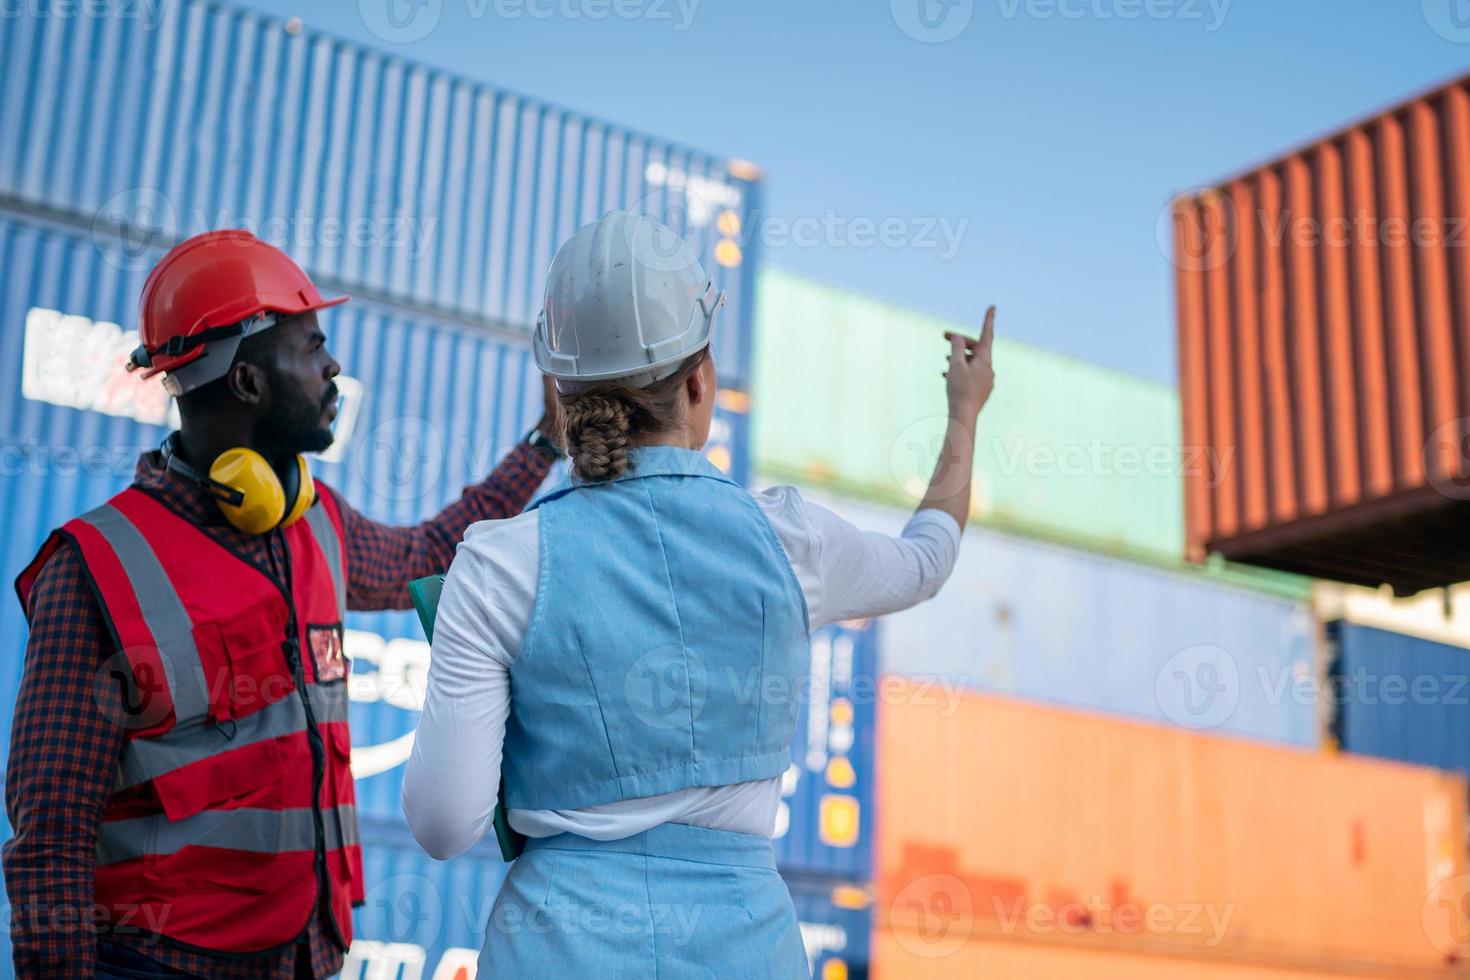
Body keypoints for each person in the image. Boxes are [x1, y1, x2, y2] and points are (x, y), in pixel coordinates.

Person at [402, 210, 996, 976]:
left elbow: (445, 823)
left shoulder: (500, 564)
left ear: (558, 392)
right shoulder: (791, 542)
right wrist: (963, 415)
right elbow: (926, 560)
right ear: (700, 380)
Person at [5, 229, 561, 979]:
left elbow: (433, 556)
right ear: (246, 383)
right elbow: (51, 835)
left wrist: (545, 441)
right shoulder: (96, 568)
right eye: (312, 347)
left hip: (306, 961)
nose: (333, 368)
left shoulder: (317, 523)